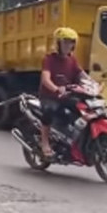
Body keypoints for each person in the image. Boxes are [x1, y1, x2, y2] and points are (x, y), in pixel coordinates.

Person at [38, 27, 90, 158]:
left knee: (84, 109)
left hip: (66, 95)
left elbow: (81, 74)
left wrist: (93, 84)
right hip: (50, 96)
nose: (68, 45)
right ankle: (44, 142)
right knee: (49, 111)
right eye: (65, 42)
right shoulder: (49, 59)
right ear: (58, 43)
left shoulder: (72, 60)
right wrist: (55, 88)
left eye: (71, 42)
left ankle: (75, 140)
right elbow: (45, 79)